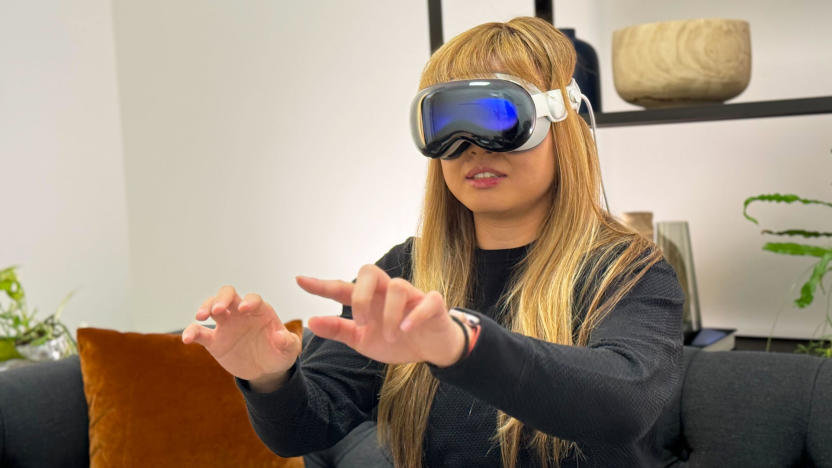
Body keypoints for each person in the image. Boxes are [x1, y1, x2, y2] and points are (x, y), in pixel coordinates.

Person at [182, 16, 684, 468]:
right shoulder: (407, 270)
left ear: (560, 121)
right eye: (446, 123)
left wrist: (463, 344)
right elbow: (304, 430)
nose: (469, 147)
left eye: (496, 116)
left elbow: (624, 401)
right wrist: (269, 378)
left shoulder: (627, 270)